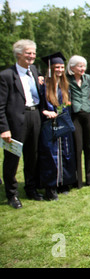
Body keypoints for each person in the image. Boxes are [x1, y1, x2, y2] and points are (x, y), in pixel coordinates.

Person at [0, 39, 44, 208]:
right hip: (16, 122)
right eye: (28, 53)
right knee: (12, 158)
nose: (32, 56)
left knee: (32, 156)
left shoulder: (33, 70)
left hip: (35, 117)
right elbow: (1, 105)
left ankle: (31, 188)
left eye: (33, 53)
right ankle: (12, 194)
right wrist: (4, 129)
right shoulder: (6, 76)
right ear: (18, 54)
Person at [38, 52, 76, 200]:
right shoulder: (43, 85)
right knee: (50, 155)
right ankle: (50, 187)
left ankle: (63, 183)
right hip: (49, 125)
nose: (59, 70)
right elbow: (38, 105)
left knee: (66, 152)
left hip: (63, 124)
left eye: (61, 67)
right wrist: (45, 111)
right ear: (51, 68)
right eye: (57, 67)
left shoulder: (65, 85)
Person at [66, 55, 90, 188]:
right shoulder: (66, 79)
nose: (82, 68)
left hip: (89, 115)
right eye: (79, 66)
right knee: (76, 148)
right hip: (74, 116)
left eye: (84, 66)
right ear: (72, 67)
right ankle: (77, 181)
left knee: (89, 147)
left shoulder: (88, 79)